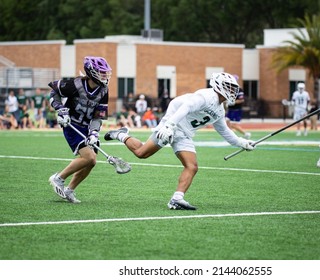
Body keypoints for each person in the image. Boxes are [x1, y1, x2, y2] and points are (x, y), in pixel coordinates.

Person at [104, 72, 255, 210]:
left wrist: (242, 143)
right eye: (229, 87)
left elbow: (225, 131)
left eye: (233, 88)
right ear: (218, 85)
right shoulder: (206, 96)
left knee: (192, 166)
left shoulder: (220, 109)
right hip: (173, 122)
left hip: (185, 133)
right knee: (141, 153)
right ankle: (120, 134)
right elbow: (186, 107)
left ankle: (177, 199)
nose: (232, 91)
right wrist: (169, 125)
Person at [48, 56, 112, 203]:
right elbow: (54, 93)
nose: (105, 76)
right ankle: (58, 178)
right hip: (72, 124)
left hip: (87, 127)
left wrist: (94, 133)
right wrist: (60, 109)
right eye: (101, 72)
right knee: (89, 157)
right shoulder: (74, 85)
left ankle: (69, 190)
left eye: (105, 72)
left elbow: (98, 116)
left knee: (92, 162)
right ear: (91, 72)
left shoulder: (103, 91)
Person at [225, 75, 251, 139]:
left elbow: (241, 100)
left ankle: (246, 134)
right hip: (230, 110)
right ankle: (230, 137)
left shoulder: (239, 89)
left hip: (236, 110)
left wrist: (233, 102)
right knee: (227, 123)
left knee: (233, 125)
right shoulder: (230, 89)